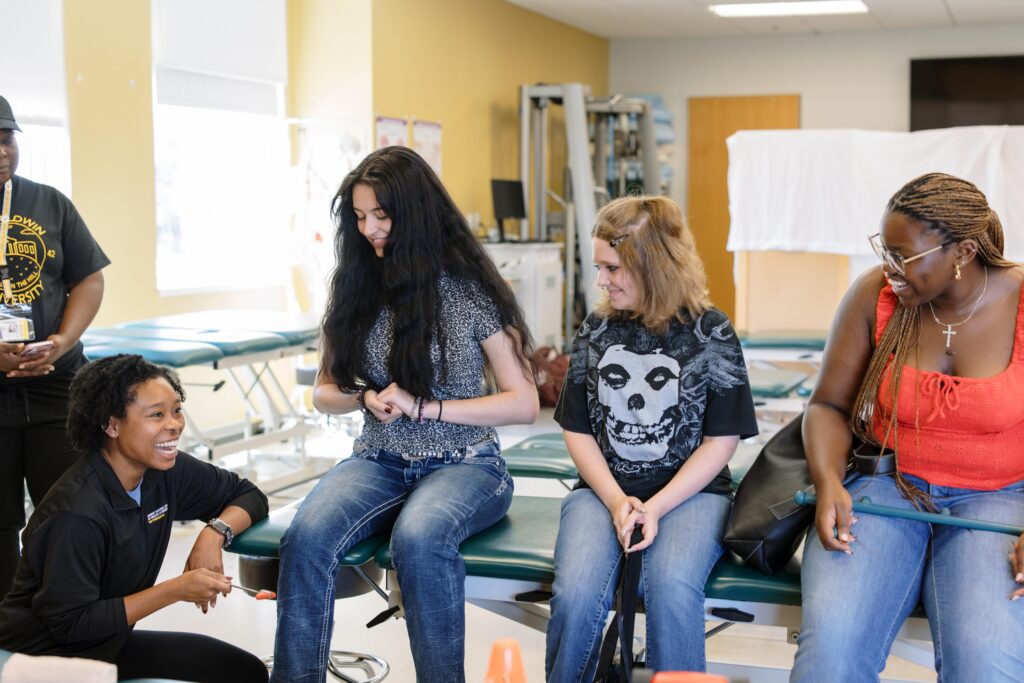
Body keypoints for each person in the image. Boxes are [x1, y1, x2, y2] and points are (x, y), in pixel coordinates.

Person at [271, 146, 539, 683]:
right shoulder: (355, 287)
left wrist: (425, 407)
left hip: (466, 463)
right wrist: (362, 398)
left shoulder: (469, 289)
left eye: (381, 214)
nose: (369, 228)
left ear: (414, 212)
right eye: (359, 216)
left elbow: (524, 402)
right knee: (305, 539)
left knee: (418, 541)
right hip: (379, 459)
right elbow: (323, 392)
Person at [791, 173, 1024, 682]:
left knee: (984, 663)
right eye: (885, 251)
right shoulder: (875, 295)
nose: (889, 268)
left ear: (963, 253)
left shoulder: (1020, 298)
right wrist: (829, 483)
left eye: (903, 257)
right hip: (886, 486)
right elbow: (827, 405)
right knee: (830, 654)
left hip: (999, 499)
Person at [545, 196, 758, 681]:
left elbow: (720, 442)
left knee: (672, 586)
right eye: (599, 267)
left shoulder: (712, 331)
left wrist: (657, 506)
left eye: (612, 268)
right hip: (602, 492)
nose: (601, 281)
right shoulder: (596, 329)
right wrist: (617, 500)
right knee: (575, 594)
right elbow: (577, 429)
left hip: (693, 494)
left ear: (653, 263)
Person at [0, 354, 270, 682]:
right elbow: (72, 625)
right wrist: (177, 589)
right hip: (43, 661)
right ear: (111, 425)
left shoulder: (164, 470)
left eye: (176, 410)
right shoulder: (76, 513)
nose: (174, 424)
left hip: (107, 645)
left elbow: (248, 495)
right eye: (156, 414)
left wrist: (215, 532)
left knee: (246, 672)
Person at [0, 95, 109, 596]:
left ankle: (64, 621)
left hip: (56, 387)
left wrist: (63, 341)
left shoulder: (49, 203)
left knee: (65, 516)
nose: (2, 152)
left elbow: (88, 278)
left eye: (7, 139)